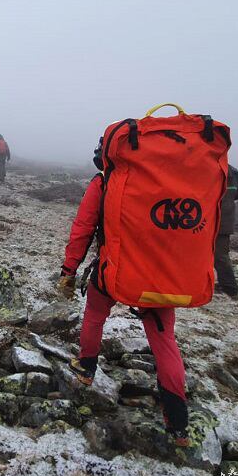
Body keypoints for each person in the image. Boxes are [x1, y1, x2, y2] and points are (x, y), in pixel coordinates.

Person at [56, 148, 190, 446]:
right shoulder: (169, 185)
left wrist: (69, 270)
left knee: (94, 313)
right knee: (164, 339)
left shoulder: (104, 183)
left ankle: (86, 367)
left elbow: (83, 230)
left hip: (113, 274)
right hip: (158, 278)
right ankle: (178, 423)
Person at [215, 165, 238, 298]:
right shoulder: (232, 171)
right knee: (220, 257)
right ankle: (230, 290)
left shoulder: (199, 165)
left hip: (202, 221)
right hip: (223, 222)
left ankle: (230, 290)